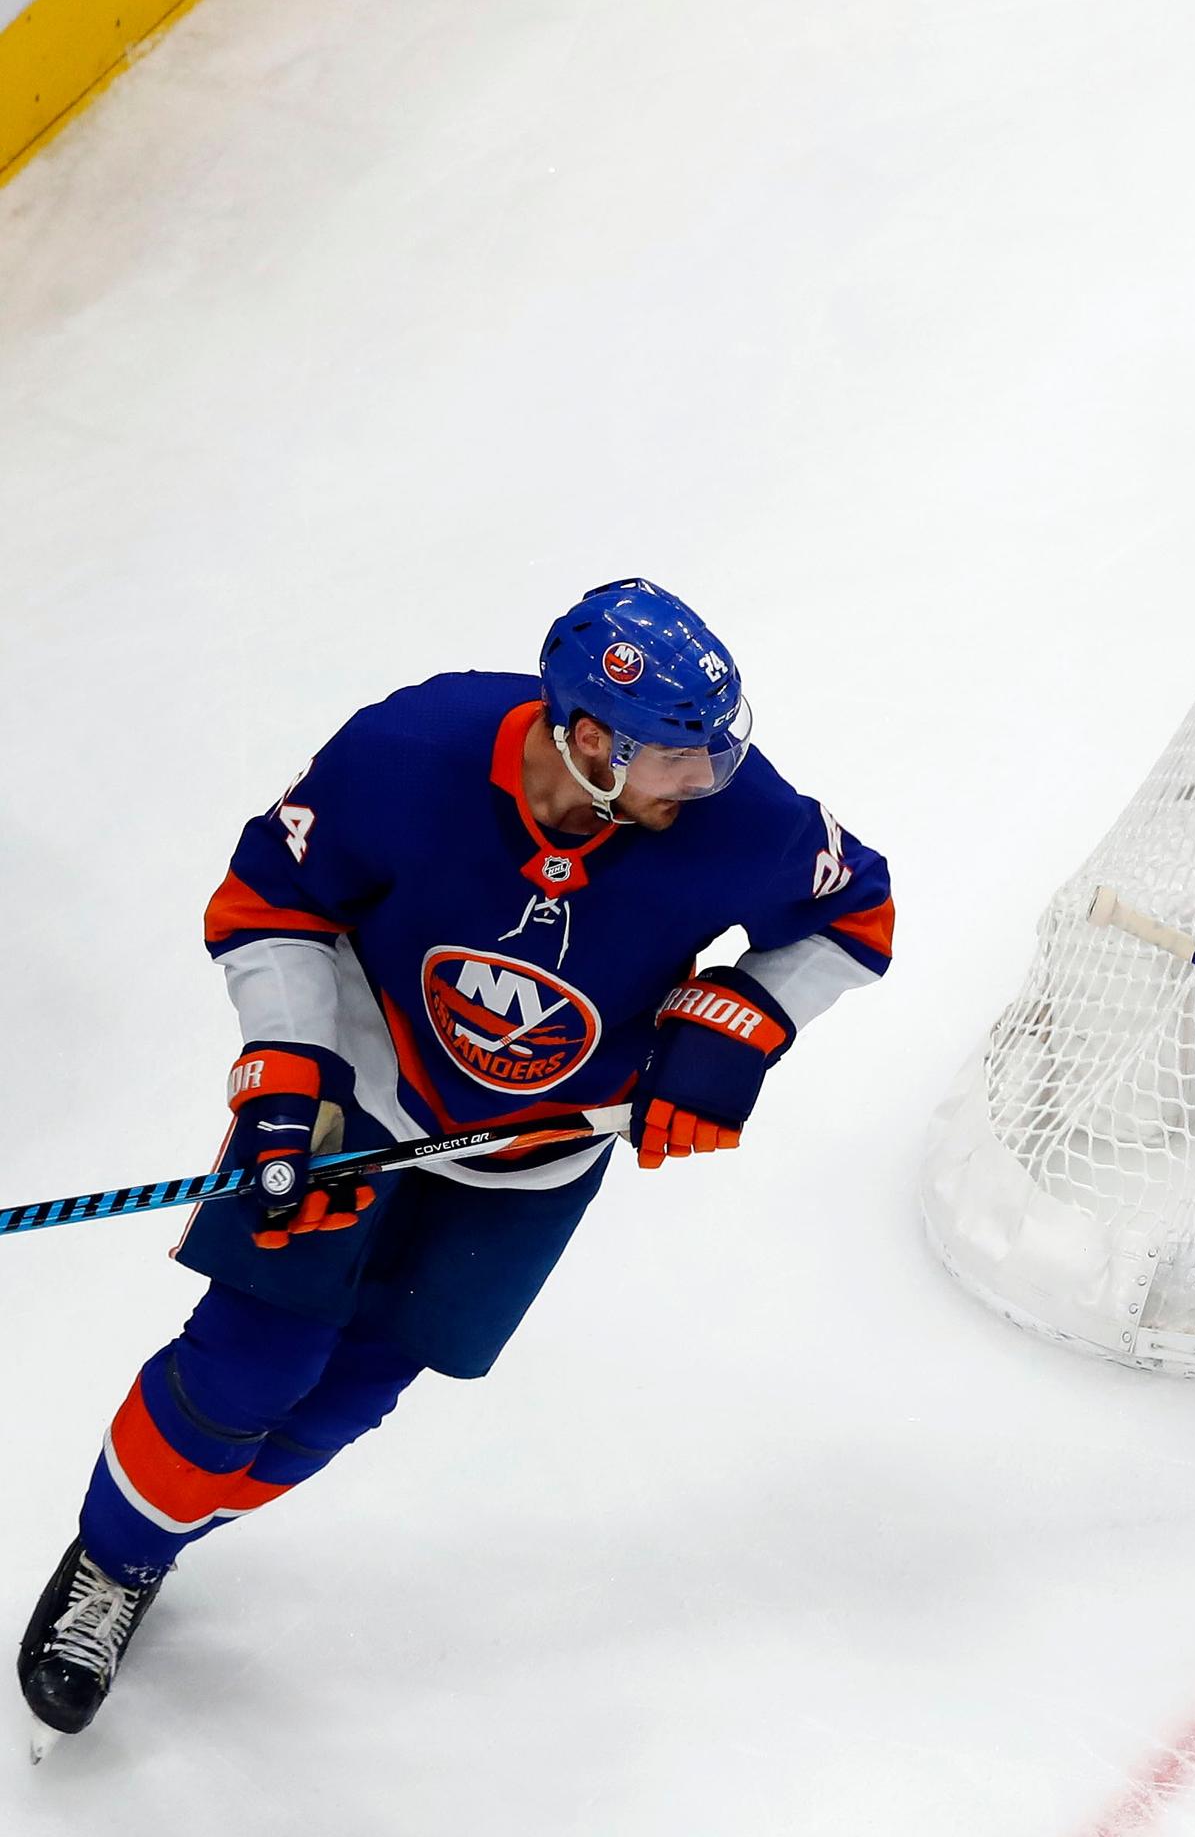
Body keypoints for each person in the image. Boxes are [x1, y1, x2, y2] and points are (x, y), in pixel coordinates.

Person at [16, 581, 897, 1750]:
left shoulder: (745, 818)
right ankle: (115, 1561)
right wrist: (287, 1070)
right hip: (359, 1109)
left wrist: (742, 1021)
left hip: (540, 1151)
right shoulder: (410, 751)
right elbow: (270, 897)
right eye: (679, 761)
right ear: (589, 740)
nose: (710, 784)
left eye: (716, 753)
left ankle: (164, 1526)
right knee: (247, 1363)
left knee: (352, 1391)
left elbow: (857, 912)